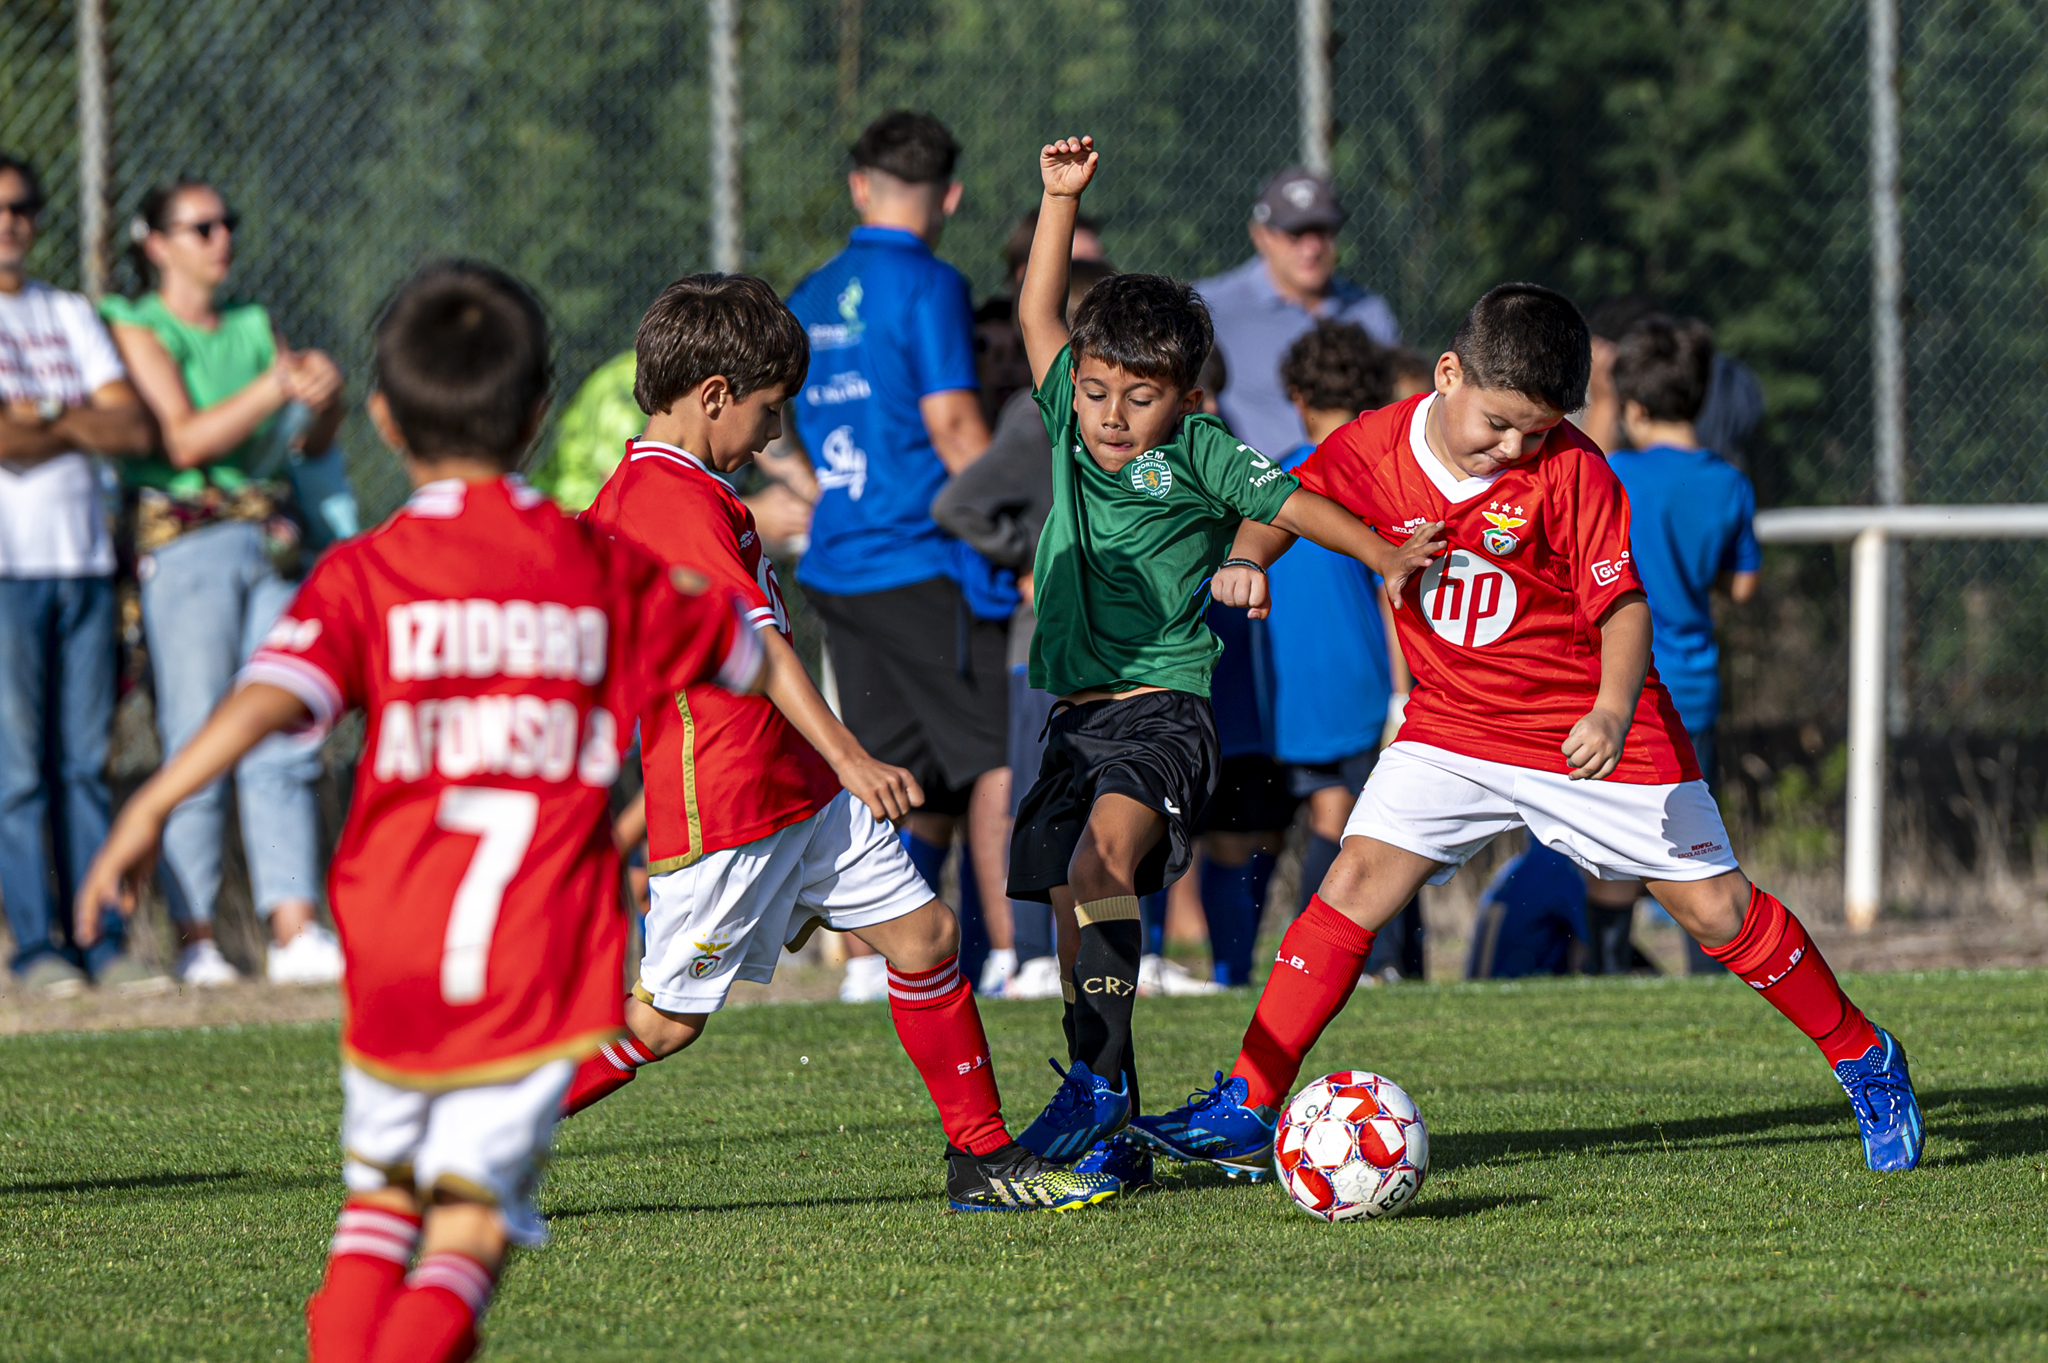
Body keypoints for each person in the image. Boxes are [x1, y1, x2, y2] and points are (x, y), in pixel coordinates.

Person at [74, 260, 768, 1362]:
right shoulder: (595, 565)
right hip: (538, 958)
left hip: (395, 947)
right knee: (466, 1229)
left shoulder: (370, 570)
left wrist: (154, 797)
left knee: (375, 1216)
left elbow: (266, 695)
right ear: (540, 413)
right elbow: (739, 649)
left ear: (385, 418)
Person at [1134, 282, 1925, 1179]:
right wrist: (1245, 558)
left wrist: (1613, 709)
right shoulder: (1374, 444)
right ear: (1447, 374)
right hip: (1453, 726)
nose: (1515, 447)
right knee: (1350, 883)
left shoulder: (1574, 469)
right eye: (1500, 423)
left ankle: (1867, 1057)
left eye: (1539, 430)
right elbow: (1288, 498)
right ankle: (1248, 1100)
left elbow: (1624, 609)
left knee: (1719, 912)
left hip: (1585, 731)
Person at [564, 273, 1119, 1214]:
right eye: (770, 411)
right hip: (732, 798)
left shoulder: (674, 488)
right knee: (661, 1024)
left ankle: (982, 1159)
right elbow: (758, 648)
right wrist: (852, 757)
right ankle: (479, 1135)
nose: (776, 435)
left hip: (795, 788)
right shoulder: (664, 496)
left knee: (925, 933)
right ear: (712, 398)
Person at [1008, 135, 1411, 1186]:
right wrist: (1058, 201)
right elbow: (1038, 316)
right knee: (1069, 900)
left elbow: (1297, 500)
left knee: (1099, 866)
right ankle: (1109, 1122)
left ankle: (1093, 1092)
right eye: (1095, 390)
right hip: (1074, 716)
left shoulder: (1198, 451)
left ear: (1185, 398)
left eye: (1135, 397)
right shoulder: (1066, 424)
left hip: (1163, 710)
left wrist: (1380, 554)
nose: (1107, 412)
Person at [785, 111, 1015, 1006]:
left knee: (902, 775)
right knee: (1003, 751)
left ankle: (883, 964)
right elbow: (955, 425)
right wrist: (1030, 526)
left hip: (840, 564)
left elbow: (795, 437)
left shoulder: (808, 293)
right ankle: (1020, 952)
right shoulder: (931, 284)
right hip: (924, 559)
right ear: (949, 196)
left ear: (858, 185)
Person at [100, 177, 347, 987]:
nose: (220, 239)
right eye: (200, 227)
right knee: (198, 731)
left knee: (283, 722)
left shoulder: (251, 325)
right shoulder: (134, 322)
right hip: (186, 543)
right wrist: (278, 385)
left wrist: (324, 401)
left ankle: (293, 926)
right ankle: (197, 935)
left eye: (226, 224)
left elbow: (302, 445)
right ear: (156, 243)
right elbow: (183, 439)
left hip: (269, 539)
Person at [932, 258, 1118, 1003]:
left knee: (1124, 795)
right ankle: (1033, 952)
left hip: (1128, 645)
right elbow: (959, 505)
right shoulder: (1034, 413)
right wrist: (1034, 558)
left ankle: (1120, 950)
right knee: (1043, 795)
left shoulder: (1145, 414)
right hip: (1044, 644)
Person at [0, 153, 159, 996]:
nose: (10, 220)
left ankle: (104, 941)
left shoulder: (66, 311)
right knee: (19, 769)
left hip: (85, 564)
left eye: (23, 205)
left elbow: (132, 425)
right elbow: (3, 442)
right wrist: (75, 419)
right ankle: (36, 947)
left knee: (83, 765)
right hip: (8, 569)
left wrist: (44, 416)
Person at [1264, 319, 1424, 981]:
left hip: (1290, 694)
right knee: (1386, 837)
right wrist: (1402, 696)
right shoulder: (1375, 476)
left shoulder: (1270, 476)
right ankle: (1382, 964)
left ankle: (1307, 964)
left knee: (1332, 820)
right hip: (1362, 691)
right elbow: (1397, 593)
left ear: (1297, 396)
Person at [1602, 314, 1761, 973]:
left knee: (1607, 843)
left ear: (1633, 405)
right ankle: (1709, 973)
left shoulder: (1612, 474)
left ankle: (1606, 969)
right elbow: (1743, 585)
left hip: (1617, 691)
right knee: (1697, 844)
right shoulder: (1728, 482)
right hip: (1691, 689)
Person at [1196, 167, 1400, 462]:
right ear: (1260, 235)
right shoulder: (1212, 308)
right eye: (1296, 233)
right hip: (1251, 500)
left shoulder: (1369, 313)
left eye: (1323, 232)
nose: (1312, 247)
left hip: (1358, 488)